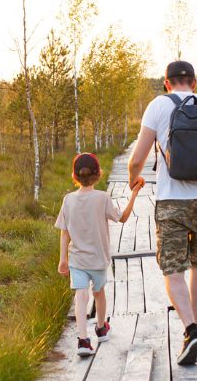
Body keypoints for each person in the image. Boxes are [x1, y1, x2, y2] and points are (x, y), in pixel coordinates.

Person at [128, 61, 197, 365]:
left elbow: (137, 158)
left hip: (171, 199)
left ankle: (192, 329)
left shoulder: (158, 106)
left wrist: (133, 178)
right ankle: (195, 328)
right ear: (195, 82)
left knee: (173, 269)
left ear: (166, 82)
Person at [56, 152, 143, 356]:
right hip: (99, 259)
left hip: (77, 259)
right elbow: (122, 218)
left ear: (75, 176)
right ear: (98, 174)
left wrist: (63, 259)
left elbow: (64, 233)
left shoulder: (68, 200)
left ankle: (83, 340)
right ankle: (101, 328)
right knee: (99, 293)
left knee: (81, 295)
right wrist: (134, 194)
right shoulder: (103, 198)